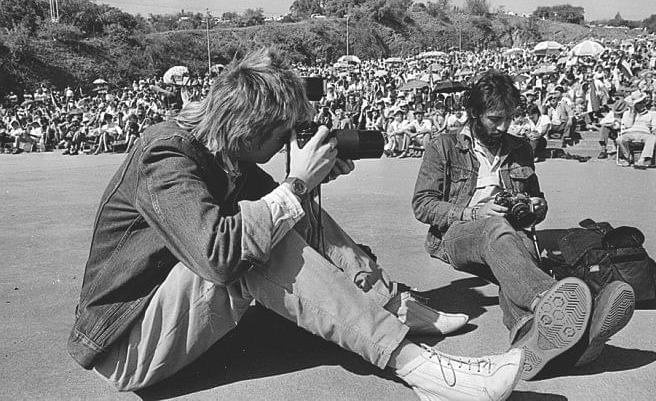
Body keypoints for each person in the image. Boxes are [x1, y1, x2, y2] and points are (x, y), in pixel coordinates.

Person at [67, 49, 524, 400]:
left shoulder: (228, 153)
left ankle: (392, 305)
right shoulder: (164, 154)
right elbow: (218, 256)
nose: (289, 142)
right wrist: (297, 183)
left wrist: (310, 183)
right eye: (282, 134)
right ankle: (423, 370)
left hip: (170, 314)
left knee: (285, 214)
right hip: (126, 344)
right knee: (256, 244)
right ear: (248, 130)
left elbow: (298, 213)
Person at [412, 70, 635, 381]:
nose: (503, 126)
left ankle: (539, 338)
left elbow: (533, 199)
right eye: (495, 118)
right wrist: (474, 213)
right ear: (474, 113)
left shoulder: (519, 148)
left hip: (512, 236)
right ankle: (549, 298)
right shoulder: (445, 147)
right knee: (495, 229)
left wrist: (537, 206)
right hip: (457, 235)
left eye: (509, 118)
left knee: (513, 259)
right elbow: (423, 205)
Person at [616, 90, 656, 169]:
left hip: (645, 133)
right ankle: (627, 157)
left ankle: (642, 160)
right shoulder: (627, 114)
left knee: (653, 138)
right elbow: (627, 125)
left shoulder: (652, 114)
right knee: (620, 139)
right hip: (630, 132)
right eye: (639, 103)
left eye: (643, 102)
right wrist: (632, 112)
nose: (642, 104)